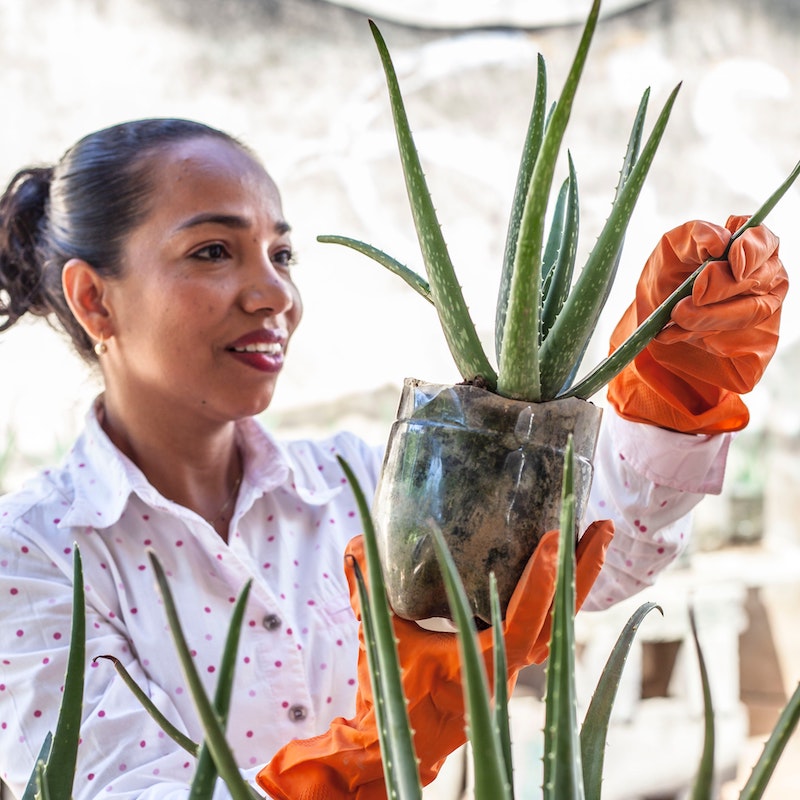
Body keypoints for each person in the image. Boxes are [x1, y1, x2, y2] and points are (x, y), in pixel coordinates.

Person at [0, 118, 786, 799]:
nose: (274, 294)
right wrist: (357, 765)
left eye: (281, 253)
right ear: (95, 298)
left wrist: (672, 398)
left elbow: (589, 561)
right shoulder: (30, 557)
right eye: (213, 251)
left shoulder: (353, 479)